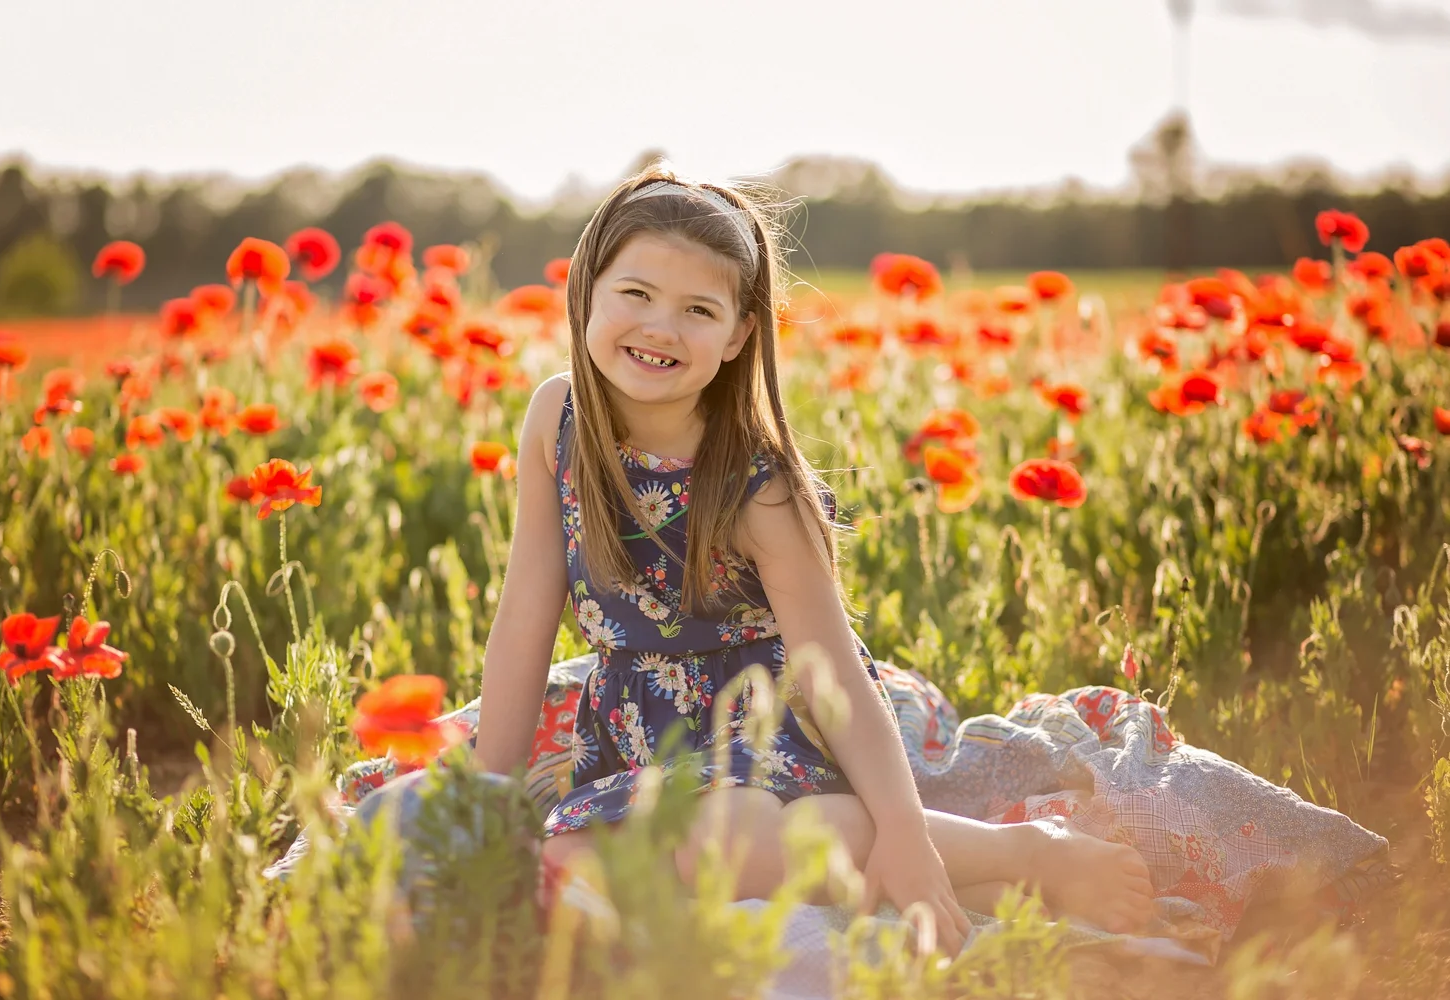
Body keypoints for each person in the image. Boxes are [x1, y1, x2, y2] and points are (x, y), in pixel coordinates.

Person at [470, 170, 1154, 955]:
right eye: (636, 294)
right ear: (587, 289)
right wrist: (488, 799)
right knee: (563, 867)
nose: (661, 328)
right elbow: (524, 618)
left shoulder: (757, 487)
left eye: (698, 310)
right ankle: (968, 884)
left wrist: (903, 829)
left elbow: (835, 680)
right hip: (638, 735)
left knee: (725, 844)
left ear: (738, 337)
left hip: (771, 728)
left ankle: (1018, 854)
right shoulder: (557, 419)